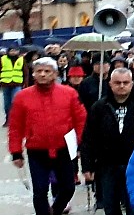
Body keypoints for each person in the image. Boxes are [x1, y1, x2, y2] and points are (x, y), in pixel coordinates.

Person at [8, 57, 87, 215]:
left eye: (47, 71)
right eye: (39, 71)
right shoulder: (22, 97)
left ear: (55, 74)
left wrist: (78, 142)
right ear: (33, 74)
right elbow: (15, 126)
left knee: (68, 187)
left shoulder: (69, 93)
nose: (43, 74)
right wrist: (16, 152)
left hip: (63, 148)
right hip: (37, 150)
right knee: (40, 191)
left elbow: (80, 118)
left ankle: (55, 211)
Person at [81, 68, 134, 215]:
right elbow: (89, 138)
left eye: (125, 82)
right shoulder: (99, 107)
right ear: (110, 84)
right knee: (110, 206)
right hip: (107, 165)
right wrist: (87, 167)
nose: (121, 86)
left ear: (132, 84)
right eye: (117, 82)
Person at [1, 45, 28, 126]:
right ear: (8, 51)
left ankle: (17, 120)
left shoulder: (21, 59)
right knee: (7, 104)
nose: (13, 52)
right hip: (5, 84)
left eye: (15, 50)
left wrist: (25, 83)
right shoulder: (3, 59)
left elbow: (25, 72)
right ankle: (8, 119)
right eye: (11, 50)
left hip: (17, 83)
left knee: (15, 102)